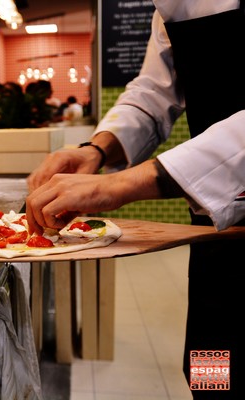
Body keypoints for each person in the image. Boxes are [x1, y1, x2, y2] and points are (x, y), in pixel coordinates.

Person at [25, 2, 244, 398]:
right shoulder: (170, 8)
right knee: (211, 372)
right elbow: (152, 94)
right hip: (217, 232)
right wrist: (96, 151)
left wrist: (123, 185)